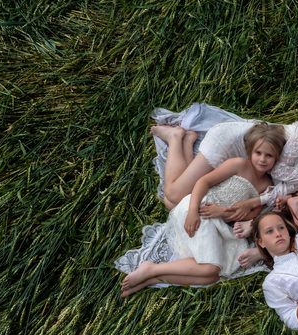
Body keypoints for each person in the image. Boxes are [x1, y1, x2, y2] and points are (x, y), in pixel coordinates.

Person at [118, 123, 286, 297]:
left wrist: (224, 212)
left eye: (269, 155)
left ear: (277, 157)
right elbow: (203, 182)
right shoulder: (238, 164)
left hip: (218, 220)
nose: (262, 159)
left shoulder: (267, 185)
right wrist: (192, 211)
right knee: (211, 268)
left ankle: (152, 279)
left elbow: (250, 214)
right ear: (250, 150)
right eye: (258, 153)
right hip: (200, 209)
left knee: (212, 277)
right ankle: (152, 269)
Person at [150, 120, 298, 211]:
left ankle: (188, 143)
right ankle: (176, 138)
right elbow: (277, 170)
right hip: (241, 144)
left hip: (255, 165)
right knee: (175, 194)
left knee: (173, 205)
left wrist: (258, 201)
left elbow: (286, 187)